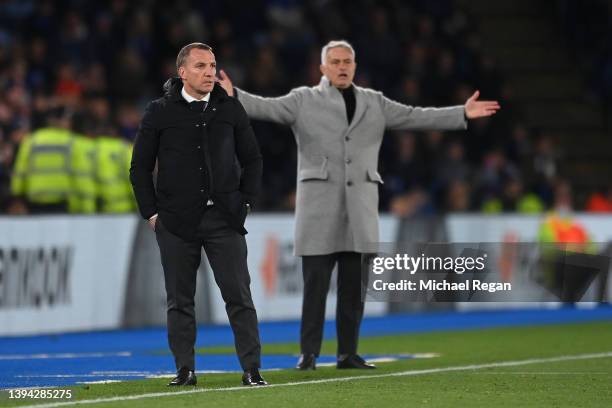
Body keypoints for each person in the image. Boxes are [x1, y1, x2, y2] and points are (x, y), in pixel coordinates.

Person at [218, 40, 500, 370]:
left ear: (355, 66)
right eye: (335, 61)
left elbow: (414, 116)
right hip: (319, 210)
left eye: (347, 61)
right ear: (322, 68)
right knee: (315, 289)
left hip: (360, 209)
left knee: (354, 291)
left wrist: (460, 113)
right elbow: (267, 107)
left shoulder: (374, 102)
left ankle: (347, 353)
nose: (342, 66)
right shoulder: (304, 100)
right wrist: (234, 94)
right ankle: (308, 353)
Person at [130, 42, 267, 386]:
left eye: (212, 66)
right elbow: (140, 167)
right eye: (201, 66)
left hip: (224, 219)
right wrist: (151, 213)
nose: (209, 73)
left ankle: (252, 370)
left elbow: (253, 159)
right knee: (180, 301)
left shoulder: (230, 108)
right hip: (175, 222)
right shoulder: (159, 111)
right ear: (182, 72)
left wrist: (245, 202)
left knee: (239, 296)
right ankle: (185, 369)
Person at [10, 107, 96, 214]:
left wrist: (17, 195)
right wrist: (86, 207)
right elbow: (81, 176)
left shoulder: (31, 140)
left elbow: (19, 171)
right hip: (62, 199)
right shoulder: (72, 142)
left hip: (35, 198)